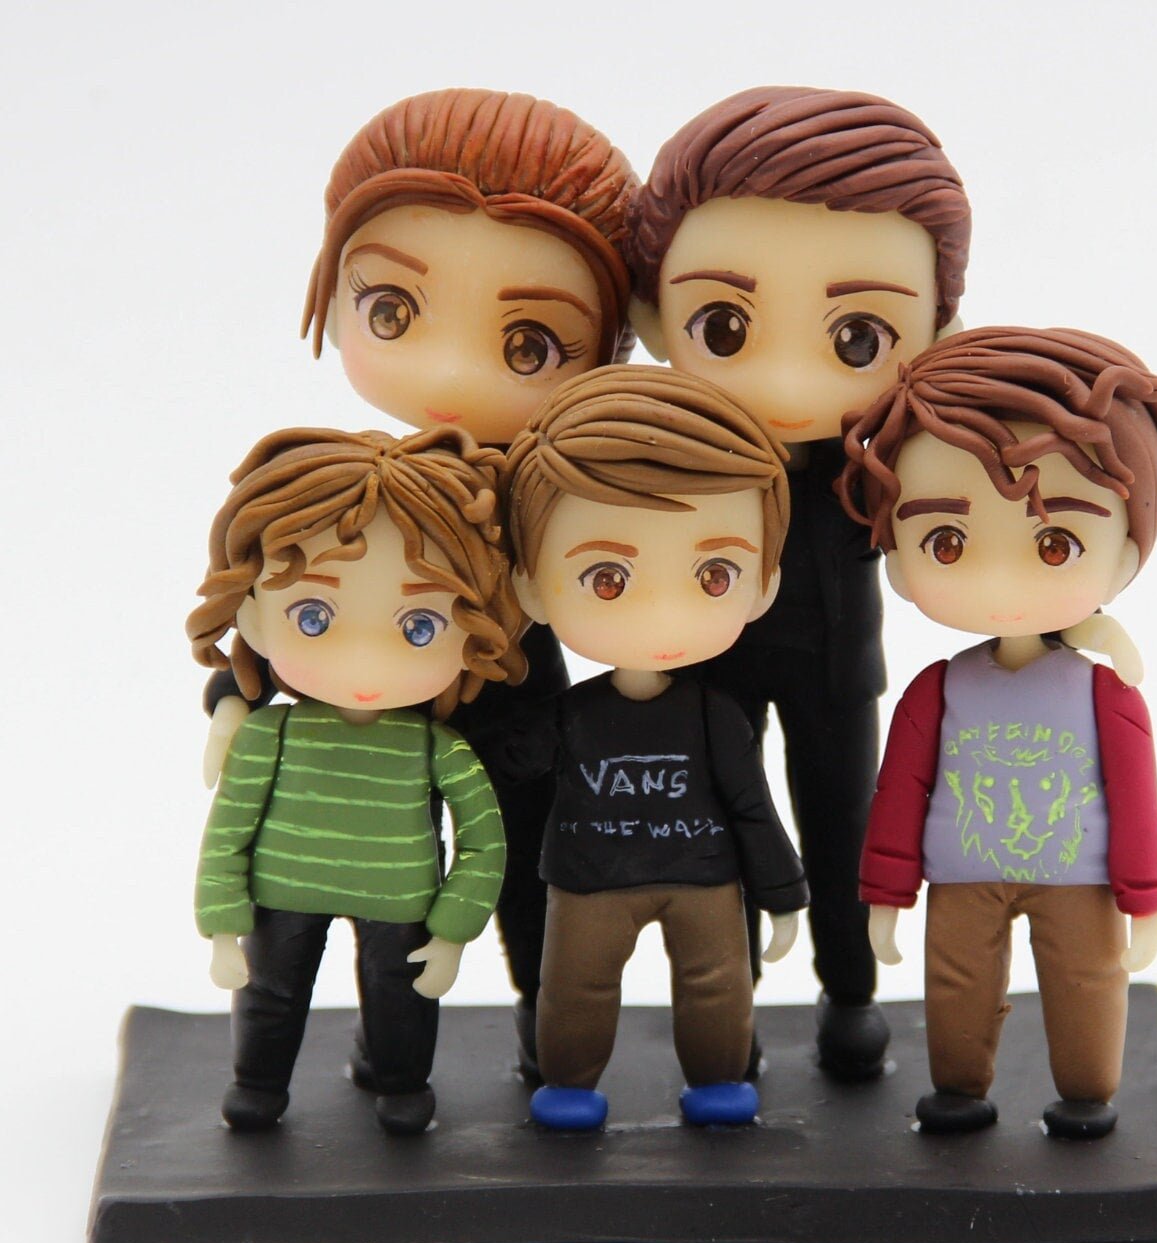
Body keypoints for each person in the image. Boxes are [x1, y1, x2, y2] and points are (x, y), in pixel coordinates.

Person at [206, 88, 639, 1072]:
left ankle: (545, 1023)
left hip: (517, 708)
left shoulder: (556, 488)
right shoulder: (354, 477)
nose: (450, 372)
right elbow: (288, 589)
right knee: (352, 879)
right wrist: (236, 691)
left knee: (527, 868)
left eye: (528, 345)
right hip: (361, 715)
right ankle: (367, 1050)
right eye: (394, 311)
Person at [624, 86, 971, 1078]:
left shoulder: (891, 458)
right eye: (726, 327)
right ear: (654, 314)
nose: (784, 383)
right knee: (716, 832)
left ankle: (850, 995)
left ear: (936, 328)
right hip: (706, 662)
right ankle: (723, 1006)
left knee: (841, 828)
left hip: (837, 671)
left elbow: (967, 538)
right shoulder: (670, 461)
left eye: (857, 338)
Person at [838, 326, 1157, 1139]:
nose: (999, 579)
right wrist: (886, 893)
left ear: (1123, 556)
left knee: (1087, 985)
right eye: (948, 542)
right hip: (963, 875)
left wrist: (1145, 900)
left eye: (1056, 543)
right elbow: (899, 794)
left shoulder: (1104, 692)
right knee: (957, 988)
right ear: (900, 559)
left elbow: (1136, 801)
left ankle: (1087, 1095)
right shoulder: (939, 689)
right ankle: (958, 1090)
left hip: (1077, 877)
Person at [500, 364, 808, 1130]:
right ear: (532, 588)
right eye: (607, 578)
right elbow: (508, 769)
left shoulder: (714, 715)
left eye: (714, 574)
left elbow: (752, 804)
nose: (663, 613)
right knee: (576, 987)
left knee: (715, 984)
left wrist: (782, 894)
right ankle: (569, 1083)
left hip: (702, 876)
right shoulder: (566, 714)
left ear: (764, 584)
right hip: (588, 881)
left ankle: (718, 1080)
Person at [188, 425, 520, 1134]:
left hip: (400, 897)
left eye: (419, 626)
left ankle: (400, 1082)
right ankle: (257, 1082)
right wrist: (221, 927)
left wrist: (454, 929)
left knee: (399, 994)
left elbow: (484, 841)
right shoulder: (272, 735)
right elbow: (228, 831)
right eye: (314, 616)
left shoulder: (437, 747)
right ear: (253, 615)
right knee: (272, 991)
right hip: (284, 892)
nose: (366, 661)